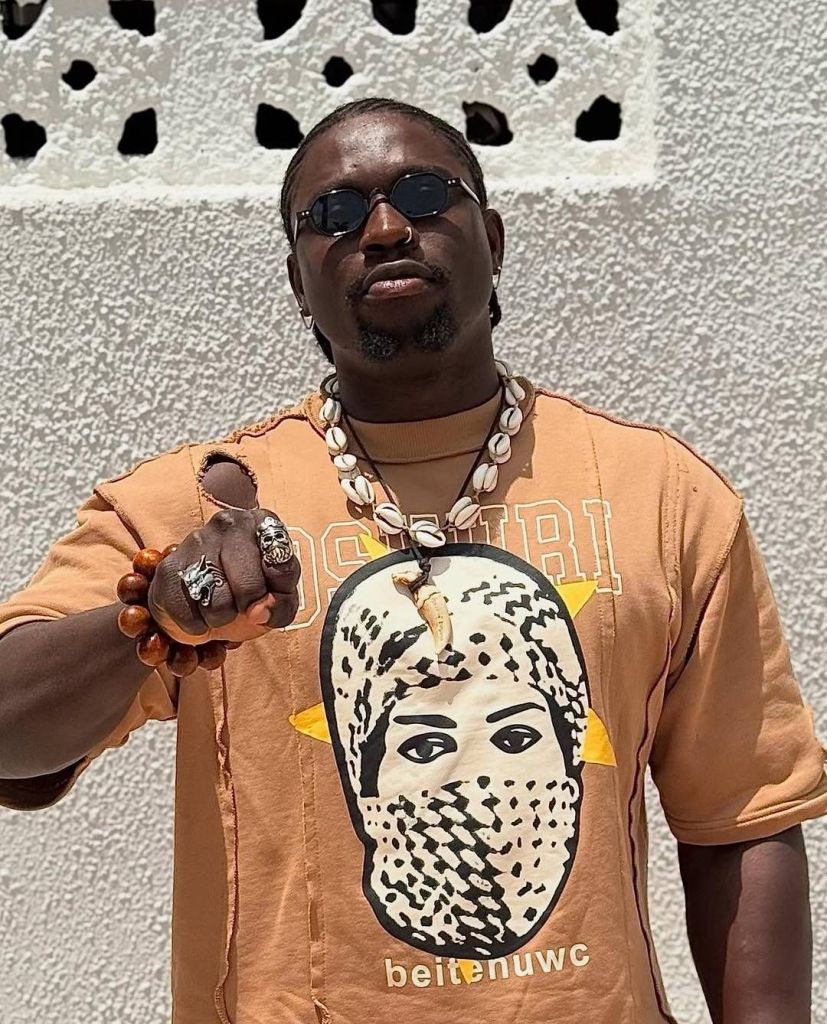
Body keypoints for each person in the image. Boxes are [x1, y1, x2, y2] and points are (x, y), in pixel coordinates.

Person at [0, 96, 824, 1024]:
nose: (385, 228)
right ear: (296, 278)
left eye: (426, 195)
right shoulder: (190, 507)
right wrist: (153, 618)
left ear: (495, 238)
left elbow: (741, 820)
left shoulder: (662, 494)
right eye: (336, 215)